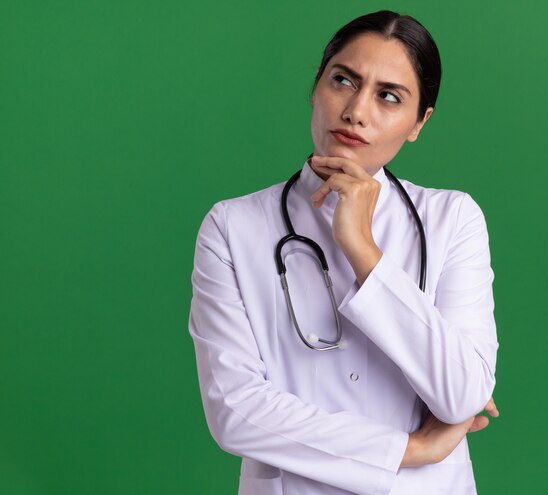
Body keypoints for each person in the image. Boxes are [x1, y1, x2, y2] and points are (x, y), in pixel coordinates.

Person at [188, 10, 499, 495]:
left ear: (419, 122)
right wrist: (408, 450)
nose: (357, 110)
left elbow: (461, 395)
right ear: (316, 87)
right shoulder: (233, 227)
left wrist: (363, 251)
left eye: (389, 97)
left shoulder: (453, 220)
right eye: (343, 81)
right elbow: (235, 411)